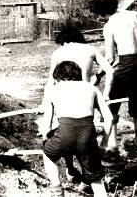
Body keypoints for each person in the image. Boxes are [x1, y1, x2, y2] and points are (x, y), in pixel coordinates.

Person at [42, 24, 115, 182]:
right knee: (84, 138)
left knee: (63, 131)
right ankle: (87, 176)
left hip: (64, 100)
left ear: (64, 40)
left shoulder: (59, 52)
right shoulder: (90, 49)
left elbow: (51, 81)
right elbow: (110, 70)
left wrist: (45, 103)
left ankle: (70, 169)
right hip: (86, 97)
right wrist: (106, 93)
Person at [90, 0, 137, 154]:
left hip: (126, 63)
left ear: (101, 13)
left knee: (110, 104)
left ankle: (111, 146)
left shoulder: (109, 26)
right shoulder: (132, 14)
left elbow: (110, 58)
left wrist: (99, 75)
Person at [39, 61, 113, 197]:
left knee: (47, 153)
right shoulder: (92, 88)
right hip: (87, 133)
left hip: (65, 132)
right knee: (96, 178)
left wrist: (46, 137)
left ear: (59, 78)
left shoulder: (53, 90)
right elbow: (109, 118)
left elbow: (47, 125)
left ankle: (57, 190)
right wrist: (104, 143)